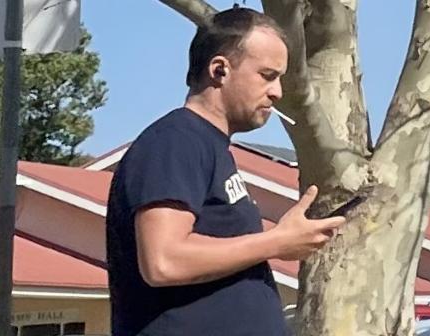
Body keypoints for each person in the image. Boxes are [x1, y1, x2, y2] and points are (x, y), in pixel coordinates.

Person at [106, 7, 346, 336]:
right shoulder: (176, 140)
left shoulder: (209, 147)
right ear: (220, 70)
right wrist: (277, 241)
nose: (277, 92)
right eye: (267, 75)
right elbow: (164, 261)